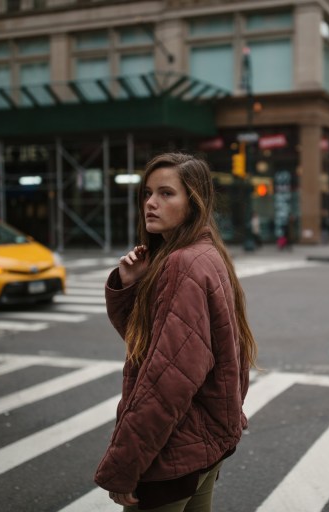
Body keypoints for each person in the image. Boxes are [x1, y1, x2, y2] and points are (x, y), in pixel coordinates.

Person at [94, 153, 257, 511]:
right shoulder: (204, 253)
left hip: (171, 453)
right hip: (201, 445)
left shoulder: (182, 263)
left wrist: (125, 465)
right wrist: (131, 287)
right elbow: (157, 346)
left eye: (167, 193)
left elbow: (167, 379)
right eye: (148, 193)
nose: (151, 203)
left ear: (193, 202)